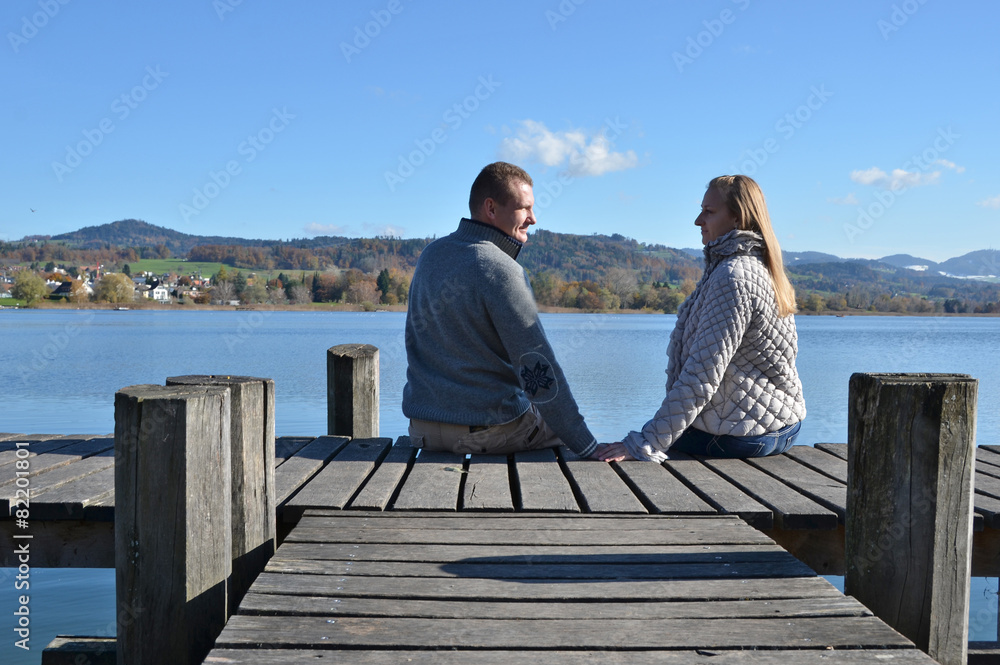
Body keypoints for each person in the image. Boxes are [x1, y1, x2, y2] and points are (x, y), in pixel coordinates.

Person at [403, 161, 611, 459]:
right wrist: (588, 446)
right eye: (524, 209)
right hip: (487, 432)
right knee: (562, 430)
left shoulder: (431, 255)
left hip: (422, 430)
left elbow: (414, 340)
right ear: (491, 208)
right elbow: (536, 365)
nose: (533, 219)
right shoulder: (501, 269)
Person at [601, 175, 806, 462]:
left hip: (744, 436)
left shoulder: (733, 276)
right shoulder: (761, 268)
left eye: (709, 212)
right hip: (785, 427)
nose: (698, 220)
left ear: (737, 218)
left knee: (630, 442)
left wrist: (646, 442)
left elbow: (702, 375)